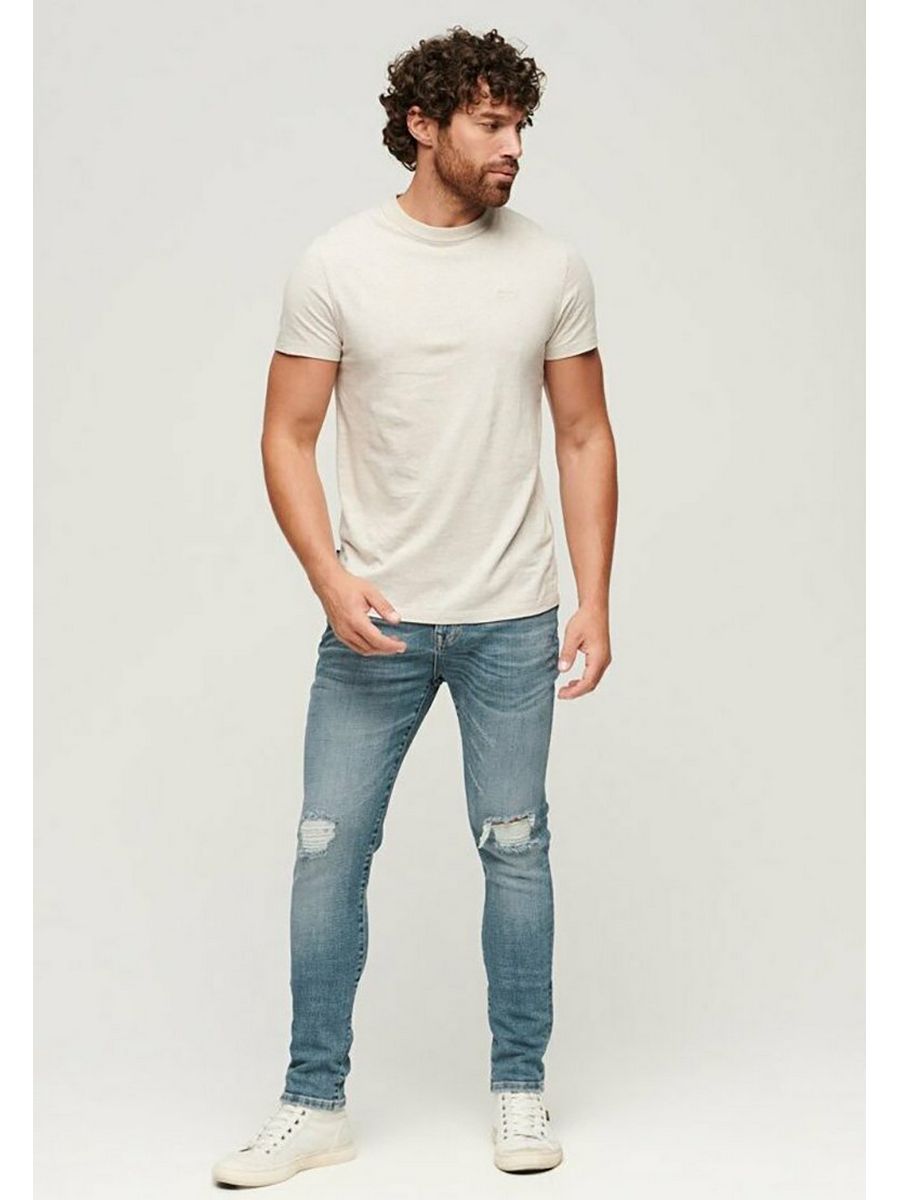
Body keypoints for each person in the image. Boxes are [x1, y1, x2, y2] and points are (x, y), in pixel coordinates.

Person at [212, 24, 617, 1188]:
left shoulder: (552, 267)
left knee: (516, 848)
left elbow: (584, 435)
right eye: (491, 124)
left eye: (521, 124)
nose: (514, 146)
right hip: (377, 621)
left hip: (513, 616)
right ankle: (313, 1103)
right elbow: (287, 434)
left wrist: (594, 599)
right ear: (423, 125)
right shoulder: (337, 265)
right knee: (327, 849)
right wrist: (328, 577)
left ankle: (520, 1090)